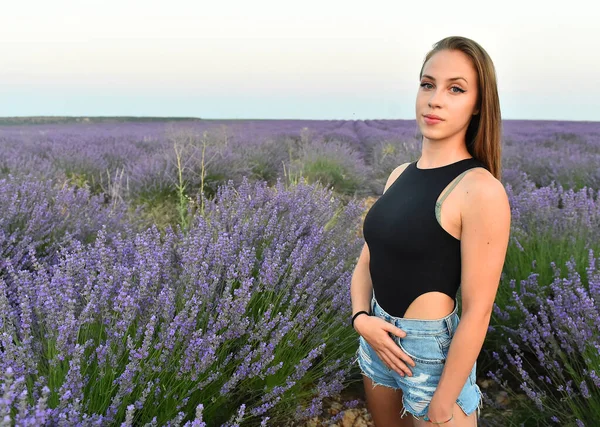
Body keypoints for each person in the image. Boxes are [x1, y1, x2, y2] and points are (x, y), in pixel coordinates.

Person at [350, 36, 511, 426]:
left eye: (455, 89)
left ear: (477, 106)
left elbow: (478, 310)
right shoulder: (398, 175)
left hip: (433, 359)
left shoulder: (480, 189)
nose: (435, 99)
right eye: (427, 84)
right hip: (376, 338)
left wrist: (445, 398)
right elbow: (366, 262)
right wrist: (361, 320)